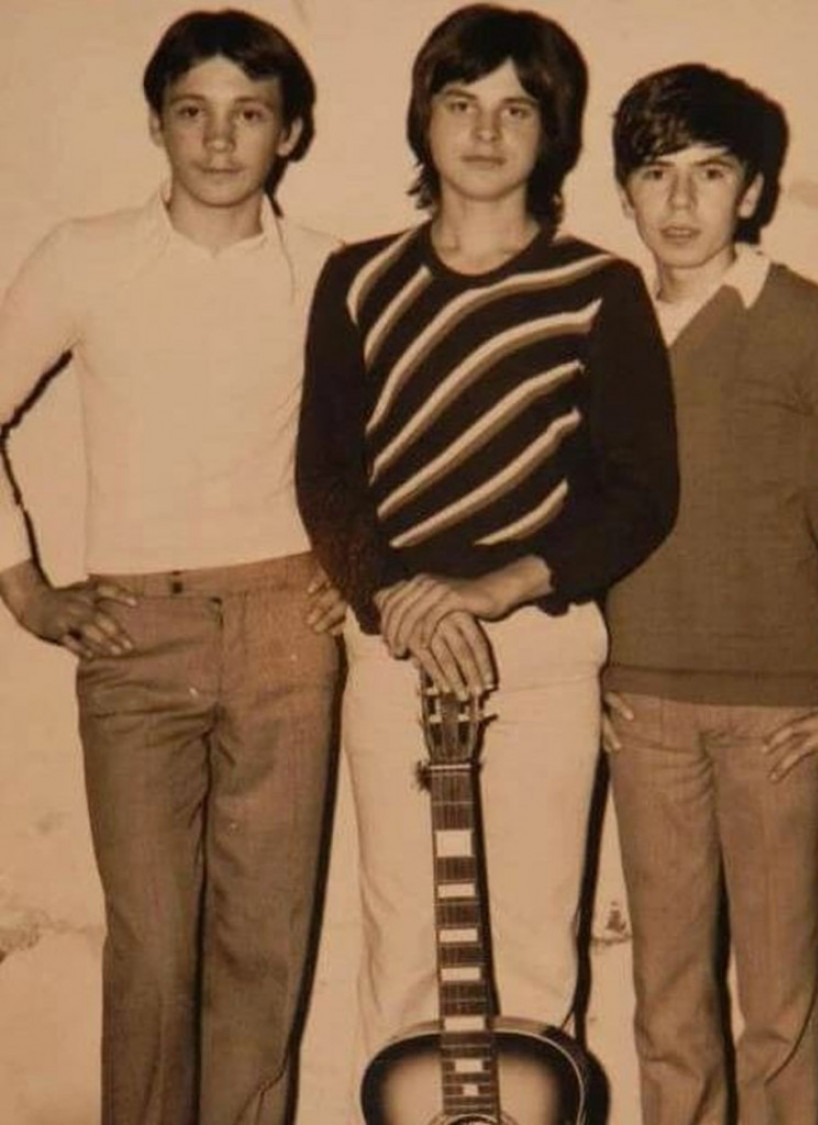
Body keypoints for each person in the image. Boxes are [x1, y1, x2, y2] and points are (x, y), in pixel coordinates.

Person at [296, 3, 678, 1112]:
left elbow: (638, 494)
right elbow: (327, 475)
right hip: (397, 648)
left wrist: (493, 588)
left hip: (540, 650)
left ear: (551, 132)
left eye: (516, 109)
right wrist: (396, 598)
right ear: (424, 118)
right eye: (461, 103)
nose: (484, 131)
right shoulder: (358, 280)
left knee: (535, 949)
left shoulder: (599, 288)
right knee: (405, 947)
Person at [0, 10, 344, 1125]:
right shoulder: (85, 254)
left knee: (265, 947)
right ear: (156, 124)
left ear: (289, 133)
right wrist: (23, 585)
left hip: (287, 629)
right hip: (134, 637)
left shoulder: (328, 273)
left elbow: (392, 439)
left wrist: (360, 563)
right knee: (152, 953)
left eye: (249, 114)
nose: (219, 139)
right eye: (193, 112)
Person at [603, 62, 818, 1125]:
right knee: (666, 1009)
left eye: (711, 172)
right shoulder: (603, 326)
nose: (681, 201)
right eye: (656, 173)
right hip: (642, 711)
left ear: (756, 190)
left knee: (780, 1012)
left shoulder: (815, 326)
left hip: (780, 721)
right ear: (625, 193)